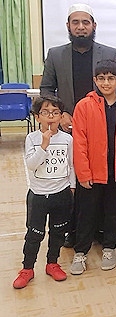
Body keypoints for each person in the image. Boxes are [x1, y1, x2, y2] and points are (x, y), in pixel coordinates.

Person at [39, 3, 116, 248]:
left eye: (85, 22)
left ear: (93, 26)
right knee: (73, 181)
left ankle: (99, 229)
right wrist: (62, 112)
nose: (80, 27)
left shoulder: (110, 53)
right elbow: (46, 88)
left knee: (99, 178)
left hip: (102, 130)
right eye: (75, 22)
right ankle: (72, 229)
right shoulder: (55, 54)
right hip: (67, 128)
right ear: (68, 26)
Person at [70, 59, 116, 275]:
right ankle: (80, 252)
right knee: (86, 213)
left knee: (113, 213)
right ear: (95, 80)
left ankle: (109, 248)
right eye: (101, 78)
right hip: (91, 172)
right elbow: (79, 142)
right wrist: (83, 173)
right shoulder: (84, 106)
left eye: (110, 78)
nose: (106, 83)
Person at [13, 97, 75, 289]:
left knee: (58, 231)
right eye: (46, 113)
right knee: (34, 234)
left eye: (55, 112)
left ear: (61, 116)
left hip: (61, 193)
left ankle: (52, 263)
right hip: (38, 196)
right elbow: (31, 164)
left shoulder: (67, 139)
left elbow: (71, 165)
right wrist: (44, 145)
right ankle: (27, 268)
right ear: (38, 117)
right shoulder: (31, 138)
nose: (51, 116)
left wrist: (71, 187)